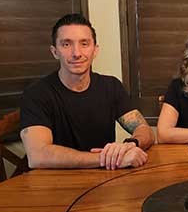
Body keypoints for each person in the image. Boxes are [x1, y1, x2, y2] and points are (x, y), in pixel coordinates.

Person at [20, 13, 154, 170]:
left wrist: (130, 145)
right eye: (66, 44)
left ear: (95, 50)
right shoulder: (36, 94)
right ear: (55, 51)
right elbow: (38, 156)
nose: (76, 53)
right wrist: (109, 159)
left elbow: (146, 131)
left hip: (102, 182)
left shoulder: (111, 86)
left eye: (84, 44)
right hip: (53, 184)